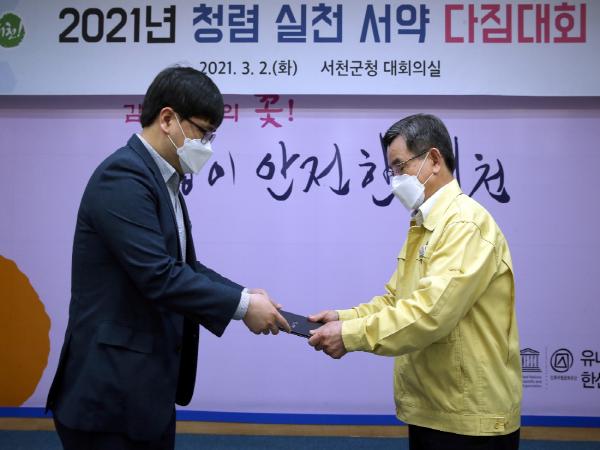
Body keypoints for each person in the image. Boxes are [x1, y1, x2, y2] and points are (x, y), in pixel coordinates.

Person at [46, 66, 291, 450]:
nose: (207, 146)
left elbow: (184, 267)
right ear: (167, 119)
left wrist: (244, 294)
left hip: (145, 393)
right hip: (107, 397)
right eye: (203, 132)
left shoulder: (165, 181)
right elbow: (158, 275)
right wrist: (243, 307)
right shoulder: (123, 177)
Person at [308, 114, 521, 450]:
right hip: (435, 408)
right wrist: (343, 318)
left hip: (469, 419)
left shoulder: (465, 224)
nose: (395, 179)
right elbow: (396, 301)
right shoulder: (425, 224)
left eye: (400, 166)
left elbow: (429, 313)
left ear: (434, 160)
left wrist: (350, 335)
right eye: (391, 171)